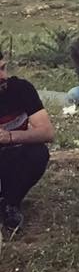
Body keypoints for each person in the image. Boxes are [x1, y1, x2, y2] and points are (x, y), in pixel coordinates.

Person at [0, 49, 53, 232]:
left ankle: (10, 204)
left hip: (12, 155)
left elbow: (47, 132)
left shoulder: (21, 89)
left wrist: (10, 137)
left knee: (38, 153)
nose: (2, 76)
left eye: (3, 68)